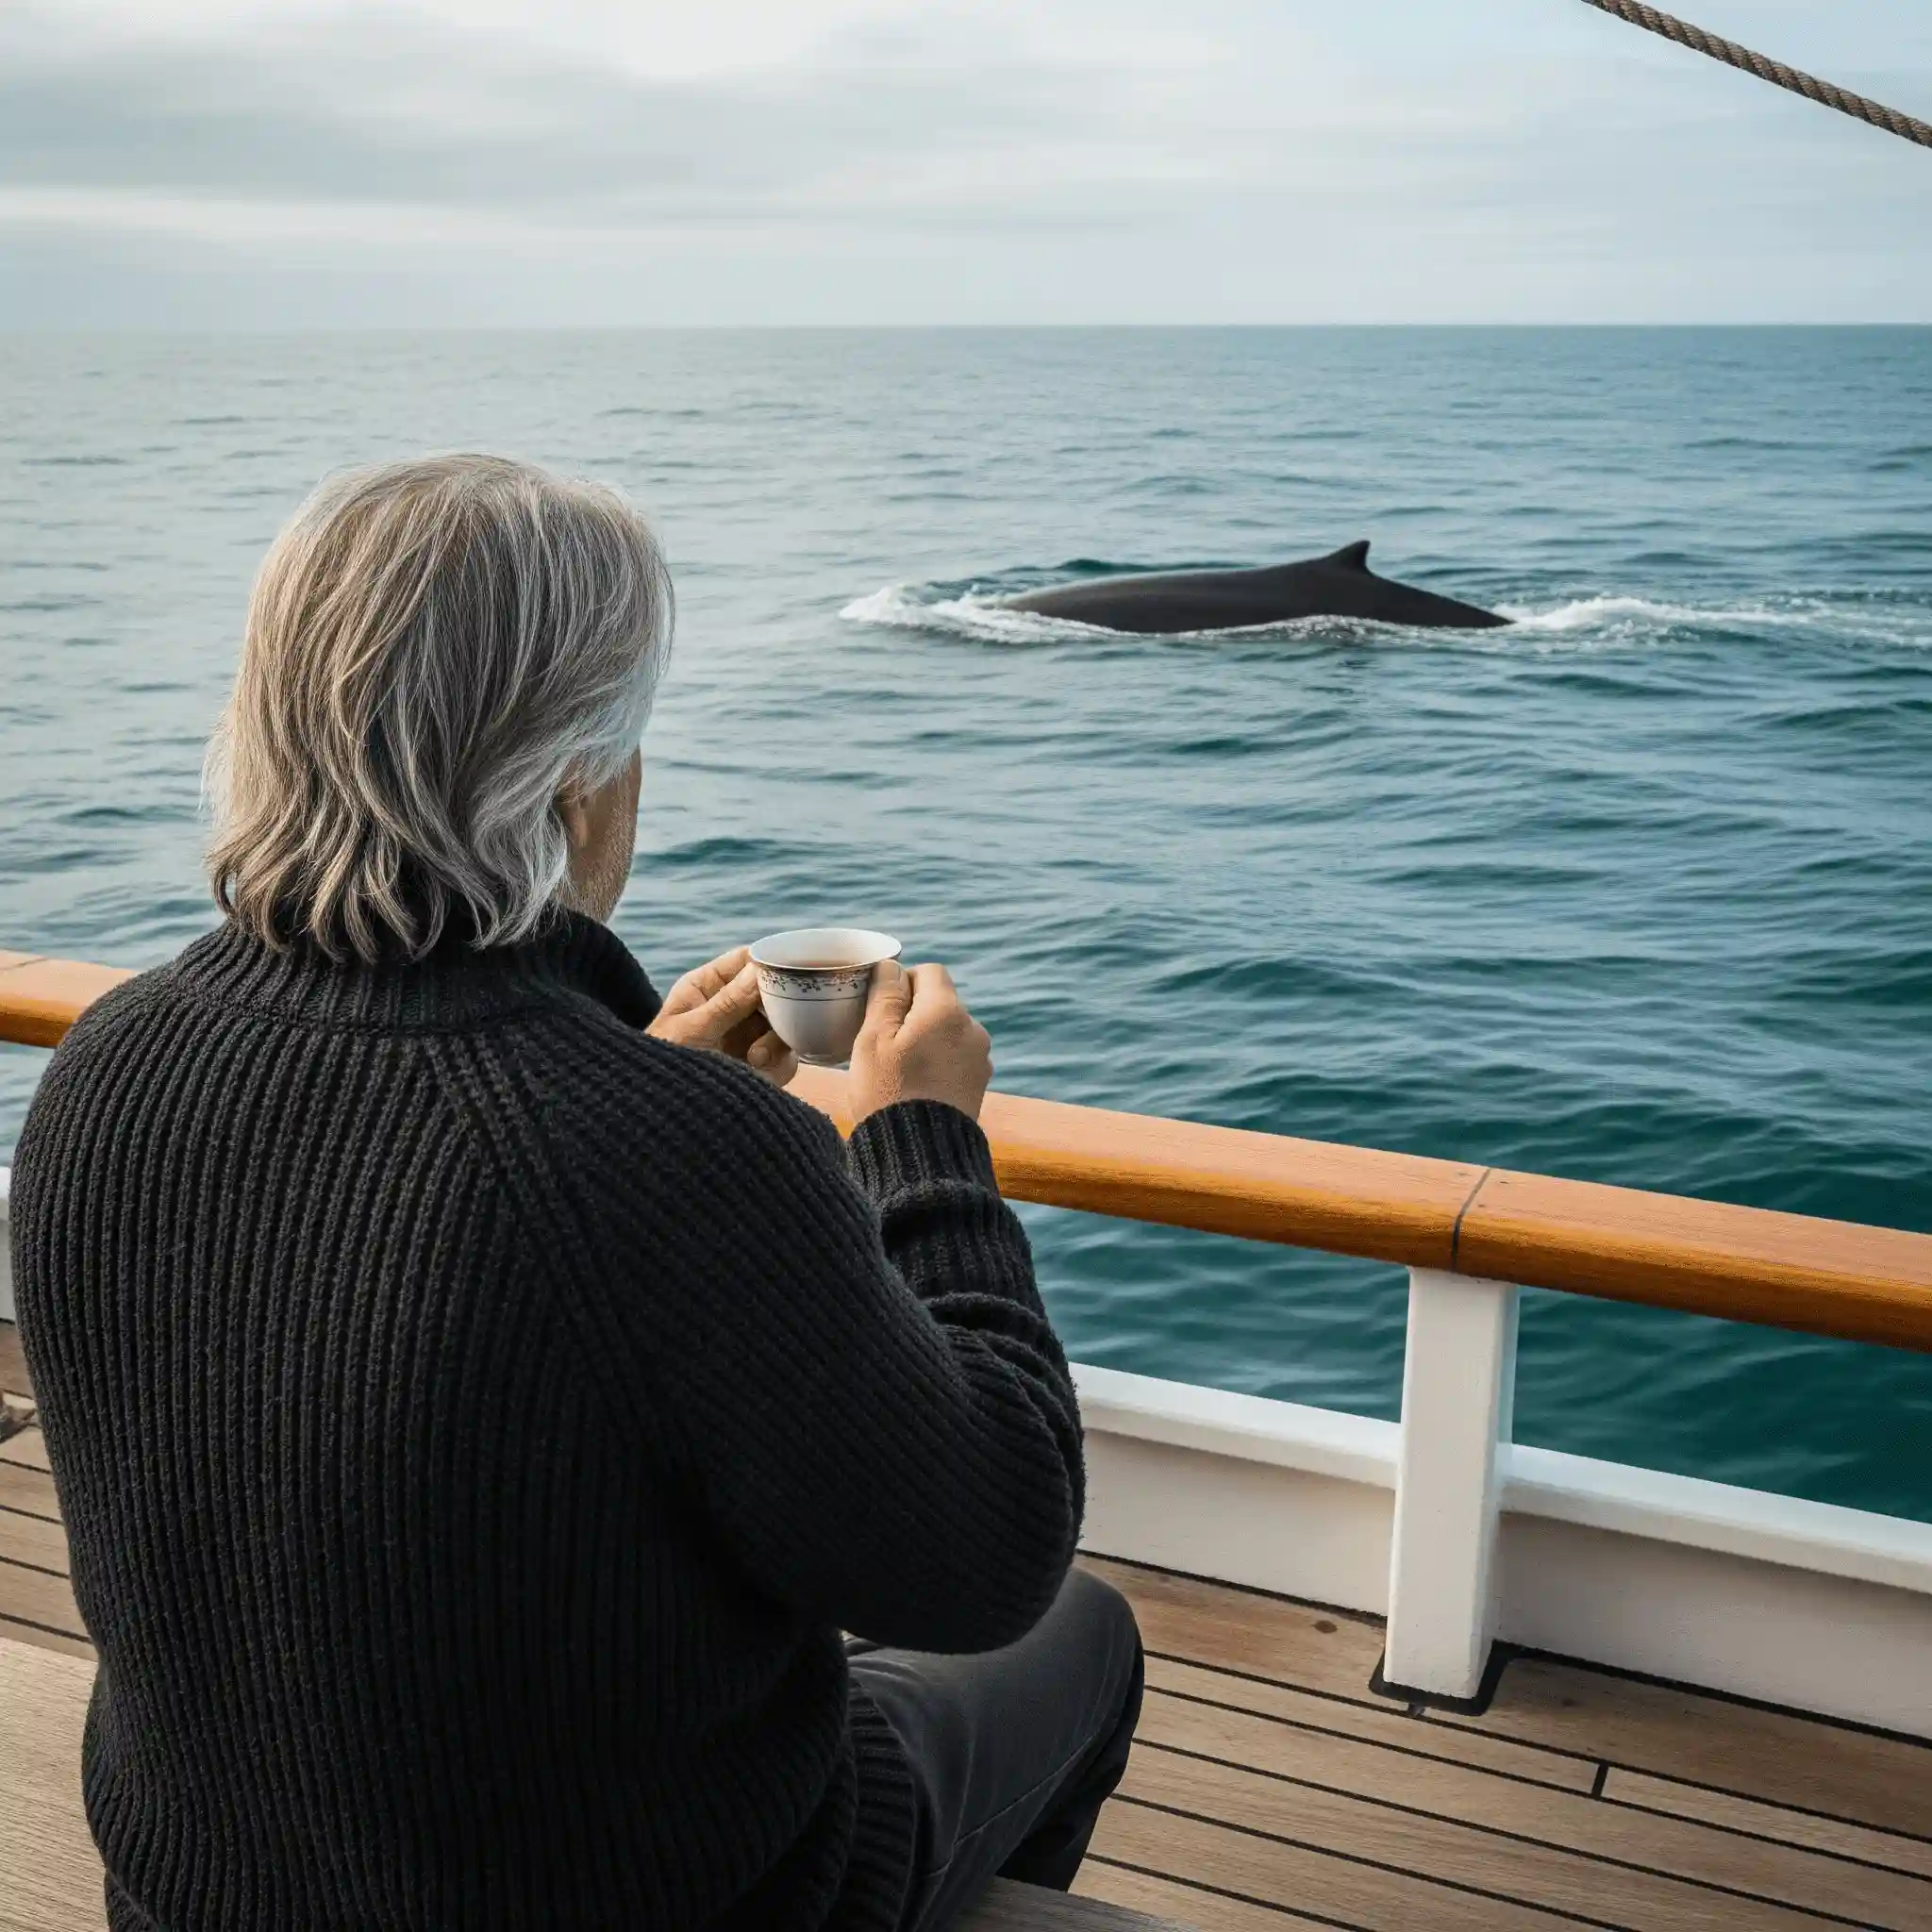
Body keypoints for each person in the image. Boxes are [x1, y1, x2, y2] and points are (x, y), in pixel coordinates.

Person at [9, 455, 1142, 1932]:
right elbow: (985, 1554)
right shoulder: (673, 1157)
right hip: (674, 1901)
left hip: (194, 1893)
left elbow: (399, 1338)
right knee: (1079, 1627)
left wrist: (636, 1076)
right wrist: (925, 1141)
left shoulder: (108, 1061)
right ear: (577, 778)